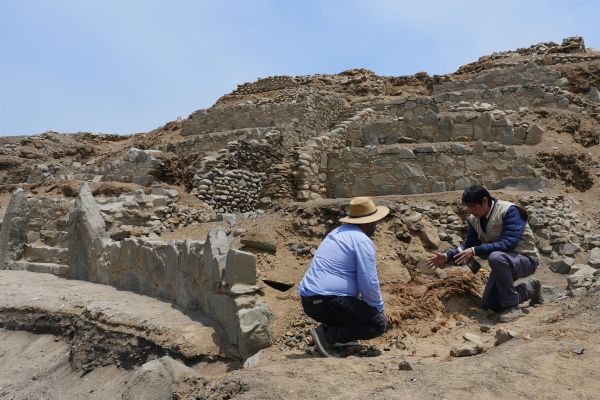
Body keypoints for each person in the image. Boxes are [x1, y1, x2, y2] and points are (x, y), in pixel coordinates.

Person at [427, 185, 543, 323]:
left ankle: (512, 308)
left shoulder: (508, 210)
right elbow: (469, 244)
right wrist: (447, 256)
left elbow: (509, 242)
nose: (470, 210)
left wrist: (475, 251)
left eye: (472, 206)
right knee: (489, 304)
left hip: (525, 259)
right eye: (468, 207)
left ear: (484, 201)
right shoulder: (474, 219)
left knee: (495, 257)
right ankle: (530, 288)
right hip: (503, 263)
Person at [298, 196, 389, 357]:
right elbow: (368, 282)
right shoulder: (361, 240)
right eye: (375, 221)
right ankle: (327, 336)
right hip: (328, 301)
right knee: (378, 324)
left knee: (356, 308)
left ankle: (338, 339)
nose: (376, 225)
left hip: (310, 301)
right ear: (367, 222)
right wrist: (378, 309)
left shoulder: (337, 233)